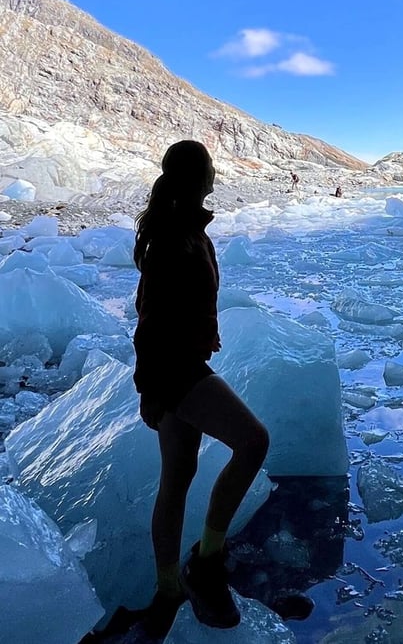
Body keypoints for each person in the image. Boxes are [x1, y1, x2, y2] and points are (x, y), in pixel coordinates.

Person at [132, 140, 269, 636]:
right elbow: (149, 317)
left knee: (177, 476)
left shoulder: (186, 229)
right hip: (176, 372)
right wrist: (150, 386)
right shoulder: (174, 238)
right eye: (210, 165)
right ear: (198, 176)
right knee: (253, 441)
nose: (216, 171)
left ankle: (168, 587)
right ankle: (206, 559)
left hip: (176, 367)